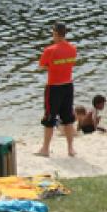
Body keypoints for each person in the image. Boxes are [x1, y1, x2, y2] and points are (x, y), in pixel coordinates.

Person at [37, 22, 78, 157]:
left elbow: (41, 66)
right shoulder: (73, 49)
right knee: (68, 118)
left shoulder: (50, 50)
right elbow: (70, 64)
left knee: (49, 118)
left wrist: (52, 66)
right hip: (68, 86)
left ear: (55, 33)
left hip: (54, 87)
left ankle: (45, 149)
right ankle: (70, 148)